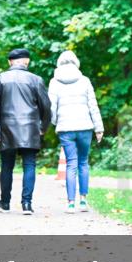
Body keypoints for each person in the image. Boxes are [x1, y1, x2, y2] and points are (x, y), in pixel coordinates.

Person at [0, 48, 51, 215]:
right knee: (29, 165)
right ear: (27, 62)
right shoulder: (36, 79)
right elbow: (46, 107)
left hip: (7, 130)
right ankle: (27, 204)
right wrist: (42, 128)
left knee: (6, 166)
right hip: (30, 129)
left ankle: (5, 203)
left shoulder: (0, 78)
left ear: (10, 62)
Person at [48, 50, 104, 214]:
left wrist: (56, 123)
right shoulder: (84, 80)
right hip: (85, 127)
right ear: (76, 63)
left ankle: (70, 203)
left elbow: (52, 108)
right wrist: (99, 128)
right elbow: (93, 106)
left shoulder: (54, 82)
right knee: (83, 162)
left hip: (66, 129)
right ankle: (83, 201)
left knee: (71, 164)